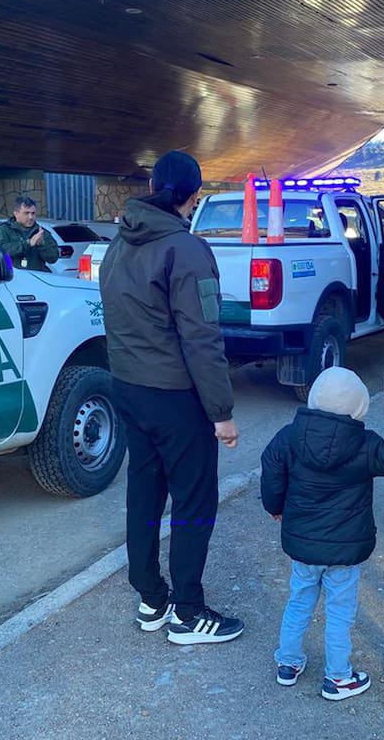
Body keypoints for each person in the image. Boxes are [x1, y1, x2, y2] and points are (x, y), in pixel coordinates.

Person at [100, 150, 243, 645]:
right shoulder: (186, 249)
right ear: (192, 195)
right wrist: (221, 413)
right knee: (194, 500)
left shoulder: (119, 242)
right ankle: (188, 611)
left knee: (144, 492)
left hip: (130, 388)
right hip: (176, 397)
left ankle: (151, 597)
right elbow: (202, 336)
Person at [261, 367, 384, 702]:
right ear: (359, 406)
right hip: (346, 551)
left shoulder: (288, 437)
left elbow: (271, 468)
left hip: (302, 545)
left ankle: (287, 664)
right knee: (339, 613)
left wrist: (274, 506)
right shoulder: (365, 444)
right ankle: (338, 677)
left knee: (298, 602)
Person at [0, 196, 60, 271]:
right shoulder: (3, 230)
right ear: (16, 214)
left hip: (37, 277)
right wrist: (28, 243)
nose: (30, 217)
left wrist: (42, 245)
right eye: (26, 213)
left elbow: (53, 258)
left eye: (33, 213)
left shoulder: (41, 232)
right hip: (13, 277)